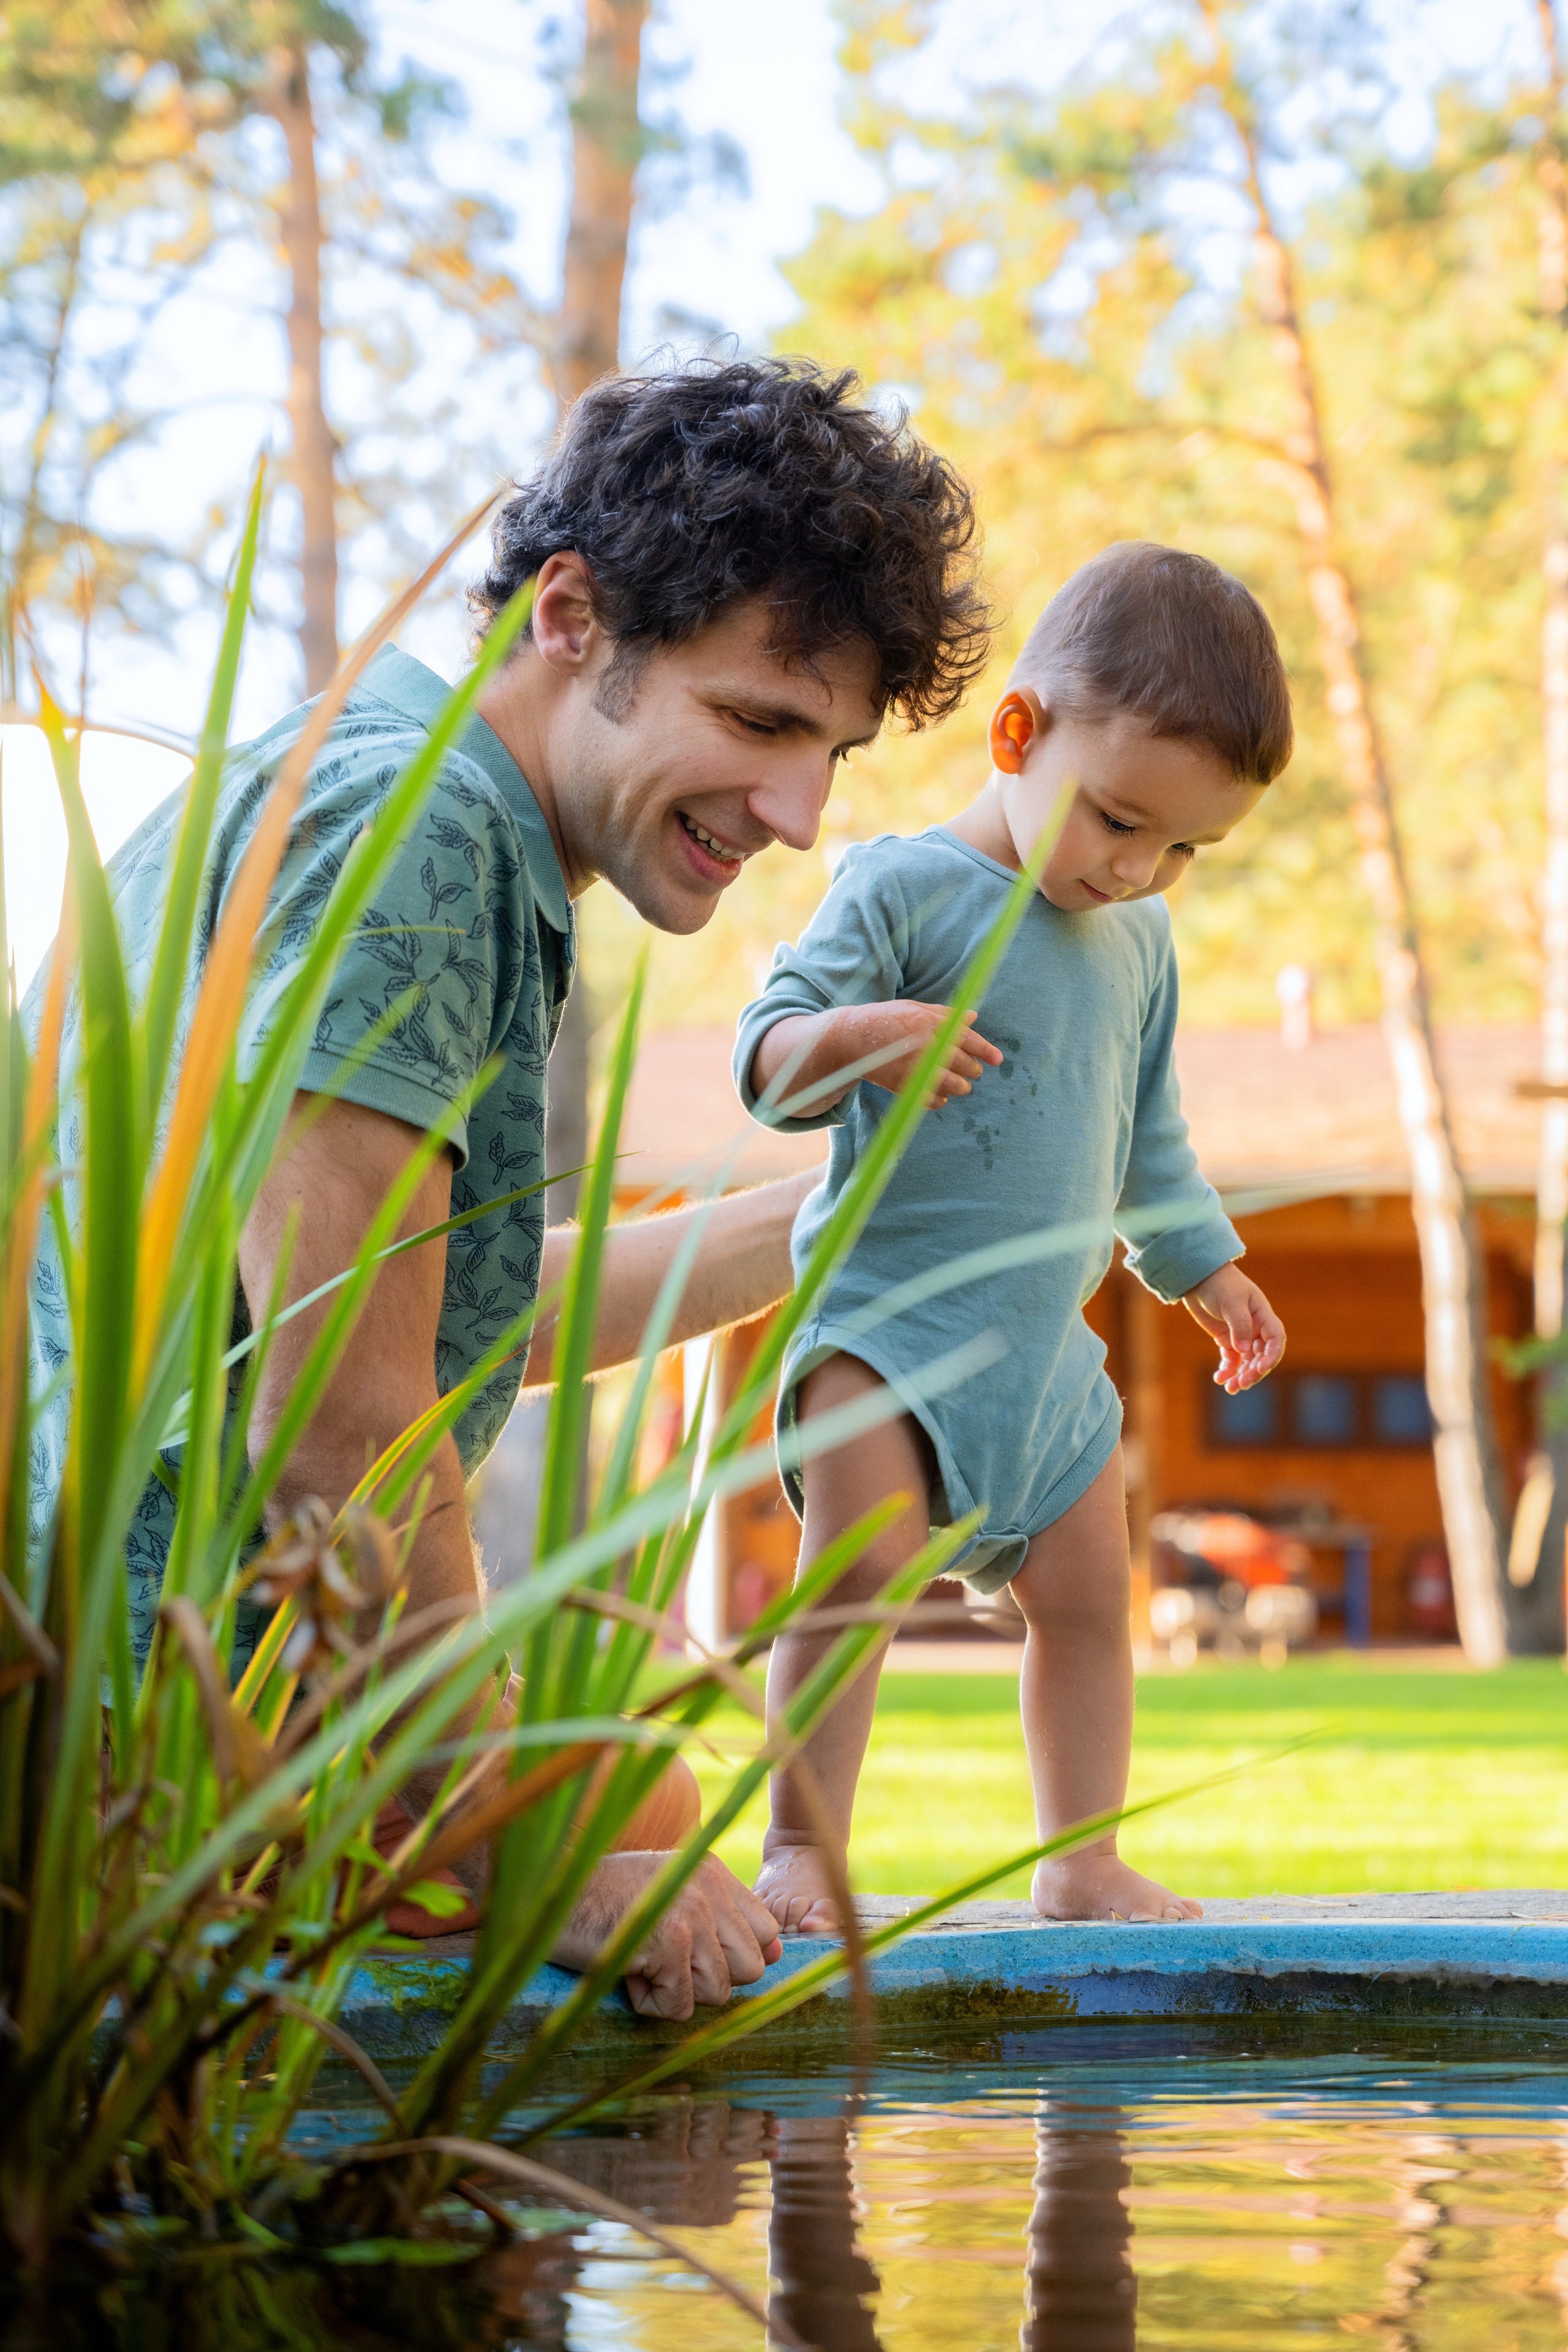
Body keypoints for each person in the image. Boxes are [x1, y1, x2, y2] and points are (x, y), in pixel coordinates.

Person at [26, 356, 992, 2015]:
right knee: (645, 1819)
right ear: (570, 618)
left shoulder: (418, 792)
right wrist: (507, 1836)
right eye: (759, 721)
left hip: (146, 1673)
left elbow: (432, 1321)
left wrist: (831, 1215)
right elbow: (347, 1418)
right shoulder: (422, 845)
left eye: (826, 754)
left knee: (648, 1797)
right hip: (116, 1735)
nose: (794, 813)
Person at [732, 541, 1292, 1932]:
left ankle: (1079, 1858)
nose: (1141, 868)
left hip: (1047, 1365)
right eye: (1118, 822)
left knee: (1093, 1604)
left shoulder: (1135, 948)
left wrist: (1204, 1266)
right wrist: (859, 1040)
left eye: (1182, 850)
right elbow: (765, 1057)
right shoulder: (901, 891)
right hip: (886, 1329)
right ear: (1014, 733)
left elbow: (1143, 1138)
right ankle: (801, 1848)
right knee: (851, 1582)